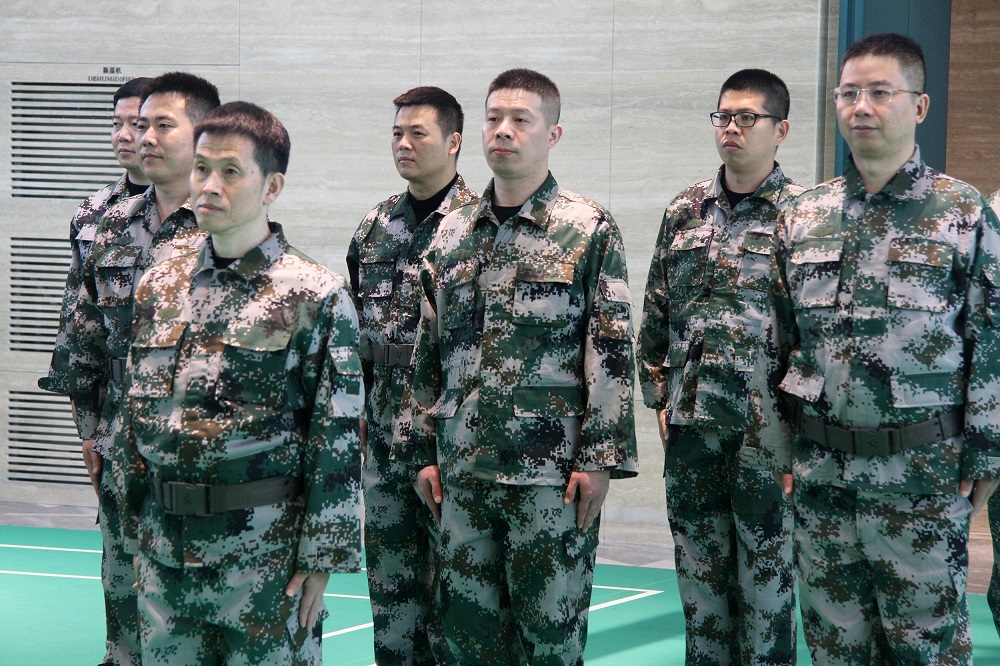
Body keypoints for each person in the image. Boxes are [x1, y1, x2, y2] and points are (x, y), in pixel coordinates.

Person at [744, 33, 1000, 665]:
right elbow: (774, 343)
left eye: (881, 92)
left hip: (922, 481)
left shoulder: (962, 213)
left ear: (920, 106)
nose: (861, 106)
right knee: (835, 650)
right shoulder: (803, 216)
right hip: (823, 480)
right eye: (849, 93)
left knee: (928, 652)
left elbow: (991, 340)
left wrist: (989, 456)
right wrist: (777, 451)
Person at [116, 101, 363, 665]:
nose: (209, 185)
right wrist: (131, 527)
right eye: (202, 168)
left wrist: (322, 557)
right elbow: (135, 414)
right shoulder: (160, 284)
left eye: (231, 172)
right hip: (164, 553)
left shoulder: (314, 295)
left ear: (271, 186)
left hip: (265, 561)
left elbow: (338, 435)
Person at [406, 68, 637, 665]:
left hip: (549, 479)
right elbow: (428, 350)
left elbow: (611, 350)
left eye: (520, 120)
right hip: (462, 471)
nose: (502, 131)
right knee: (468, 639)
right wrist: (423, 450)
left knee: (549, 639)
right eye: (493, 118)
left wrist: (600, 460)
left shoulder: (586, 228)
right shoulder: (452, 232)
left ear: (552, 134)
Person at [637, 68, 801, 665]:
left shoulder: (802, 216)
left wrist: (799, 435)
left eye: (747, 118)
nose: (732, 128)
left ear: (780, 129)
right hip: (691, 436)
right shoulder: (684, 210)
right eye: (724, 116)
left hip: (766, 439)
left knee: (766, 594)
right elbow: (656, 312)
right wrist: (659, 397)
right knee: (700, 592)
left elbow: (813, 336)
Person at [66, 71, 220, 665]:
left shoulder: (224, 227)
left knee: (195, 601)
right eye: (138, 125)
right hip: (119, 439)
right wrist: (89, 431)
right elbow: (81, 341)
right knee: (122, 587)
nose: (143, 137)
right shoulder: (110, 226)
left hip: (199, 450)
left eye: (160, 126)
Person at [348, 85, 478, 665]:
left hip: (452, 438)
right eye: (397, 133)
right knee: (392, 588)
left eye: (417, 133)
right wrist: (356, 410)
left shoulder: (477, 226)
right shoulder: (374, 226)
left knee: (458, 591)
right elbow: (355, 331)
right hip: (383, 437)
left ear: (453, 142)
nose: (403, 143)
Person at [36, 76, 152, 666]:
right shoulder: (96, 213)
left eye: (142, 124)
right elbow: (76, 330)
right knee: (118, 550)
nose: (128, 136)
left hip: (184, 415)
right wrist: (87, 427)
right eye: (119, 124)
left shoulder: (206, 209)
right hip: (113, 412)